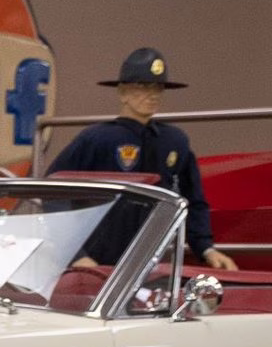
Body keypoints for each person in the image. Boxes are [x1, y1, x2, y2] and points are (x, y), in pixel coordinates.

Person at [46, 47, 238, 271]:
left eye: (158, 87)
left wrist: (205, 247)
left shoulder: (173, 141)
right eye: (142, 87)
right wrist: (76, 254)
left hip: (148, 258)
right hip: (96, 257)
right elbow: (52, 191)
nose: (152, 94)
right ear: (122, 93)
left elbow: (192, 199)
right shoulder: (97, 139)